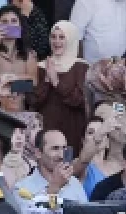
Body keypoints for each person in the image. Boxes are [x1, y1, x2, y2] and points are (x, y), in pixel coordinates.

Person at [33, 21, 90, 154]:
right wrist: (47, 81)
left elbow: (79, 100)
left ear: (70, 39)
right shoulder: (41, 66)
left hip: (72, 128)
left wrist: (57, 82)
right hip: (47, 124)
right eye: (53, 37)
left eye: (61, 37)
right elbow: (34, 101)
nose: (56, 41)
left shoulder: (81, 66)